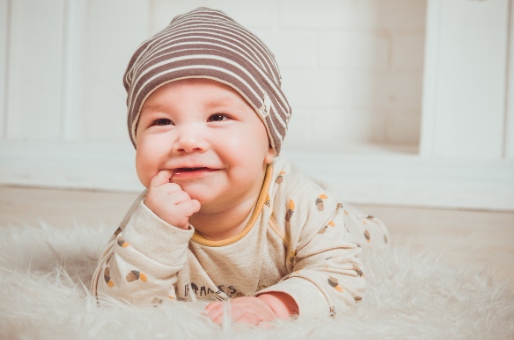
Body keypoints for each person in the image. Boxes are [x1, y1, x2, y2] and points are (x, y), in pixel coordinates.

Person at [90, 7, 390, 326]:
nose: (188, 140)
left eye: (218, 117)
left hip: (325, 220)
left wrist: (274, 305)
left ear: (270, 144)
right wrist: (157, 231)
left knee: (358, 237)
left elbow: (341, 276)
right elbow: (114, 300)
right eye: (162, 121)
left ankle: (359, 222)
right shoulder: (154, 214)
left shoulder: (301, 202)